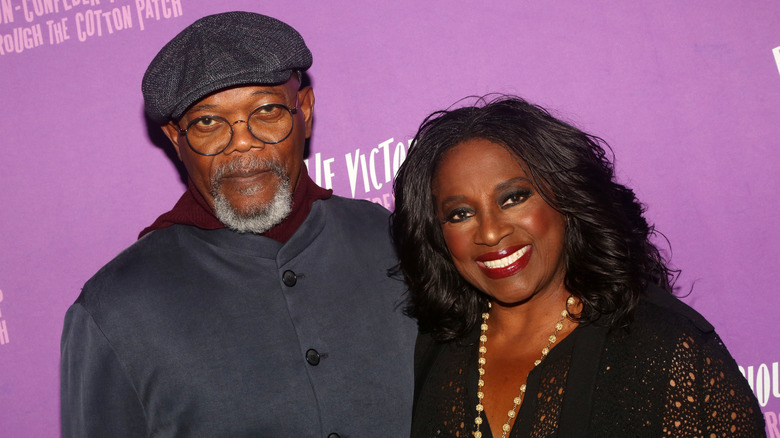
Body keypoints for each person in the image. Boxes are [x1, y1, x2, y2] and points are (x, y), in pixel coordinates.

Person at [60, 12, 415, 437]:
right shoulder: (114, 308)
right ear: (176, 138)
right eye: (209, 121)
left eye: (266, 110)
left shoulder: (390, 240)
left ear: (303, 109)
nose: (242, 142)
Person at [391, 96, 765, 437]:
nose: (490, 232)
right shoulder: (434, 348)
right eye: (460, 213)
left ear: (566, 198)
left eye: (514, 198)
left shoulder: (666, 347)